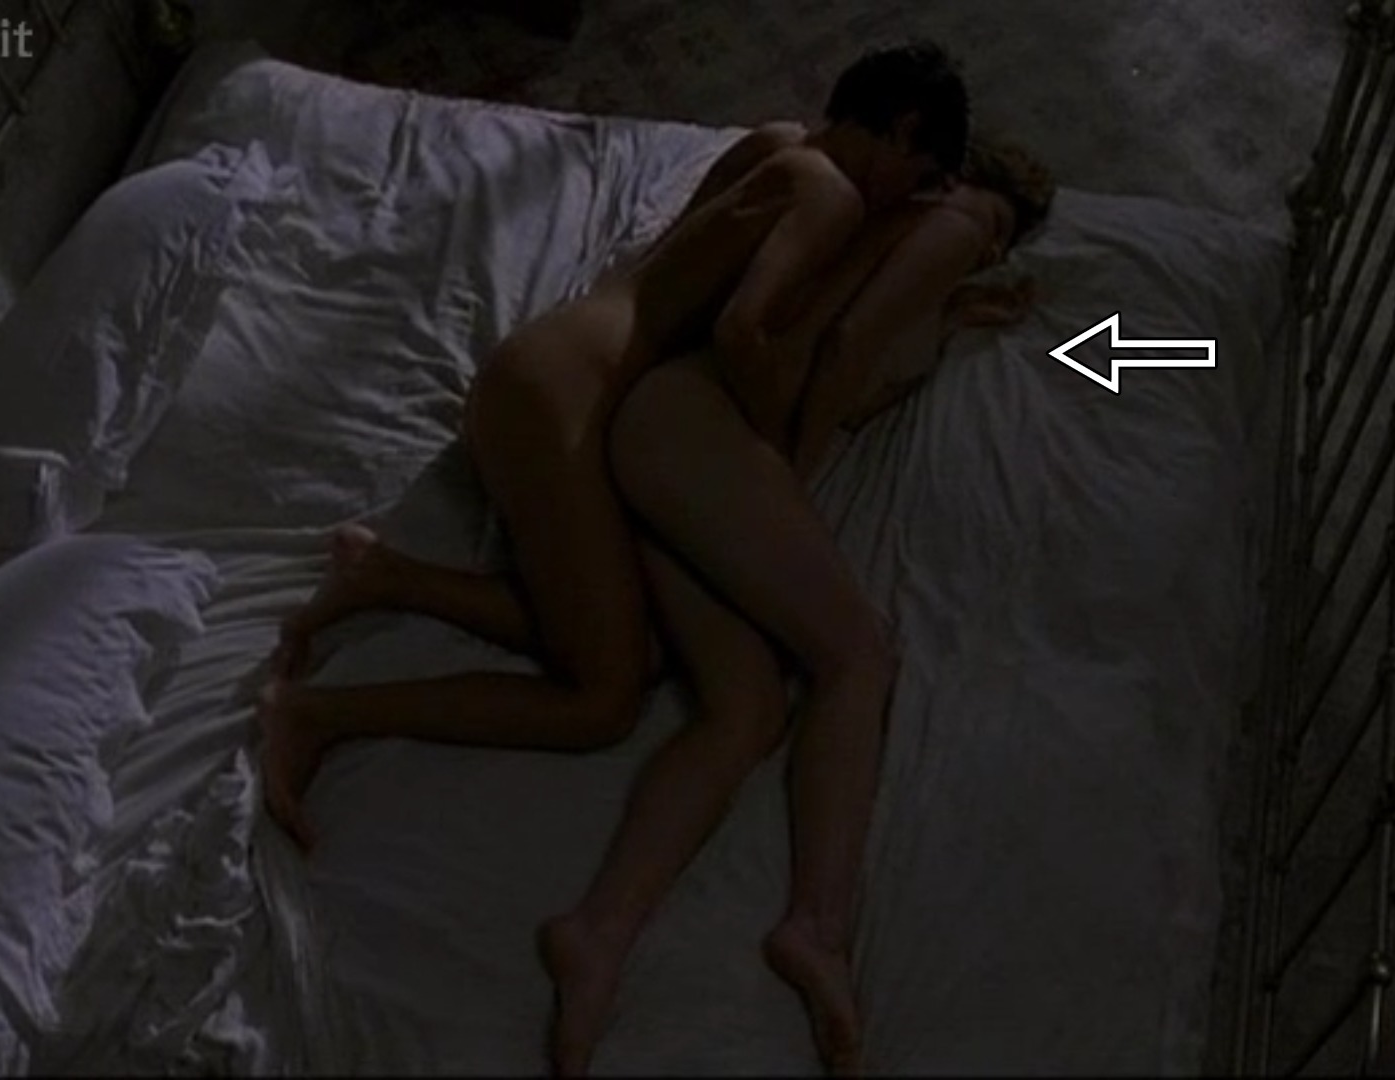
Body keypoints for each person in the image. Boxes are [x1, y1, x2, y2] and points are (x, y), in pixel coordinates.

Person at [256, 42, 970, 852]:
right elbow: (743, 331)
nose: (904, 197)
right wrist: (773, 455)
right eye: (917, 175)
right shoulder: (832, 195)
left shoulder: (777, 143)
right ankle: (317, 713)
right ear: (903, 128)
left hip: (556, 363)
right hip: (559, 399)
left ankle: (385, 575)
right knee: (602, 702)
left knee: (639, 643)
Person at [542, 138, 1056, 1076]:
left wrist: (956, 317)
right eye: (997, 226)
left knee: (744, 712)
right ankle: (818, 925)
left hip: (670, 439)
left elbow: (861, 339)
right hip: (699, 433)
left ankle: (598, 931)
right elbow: (846, 349)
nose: (989, 247)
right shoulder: (951, 221)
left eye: (999, 243)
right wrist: (790, 475)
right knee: (859, 655)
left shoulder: (937, 263)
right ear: (971, 193)